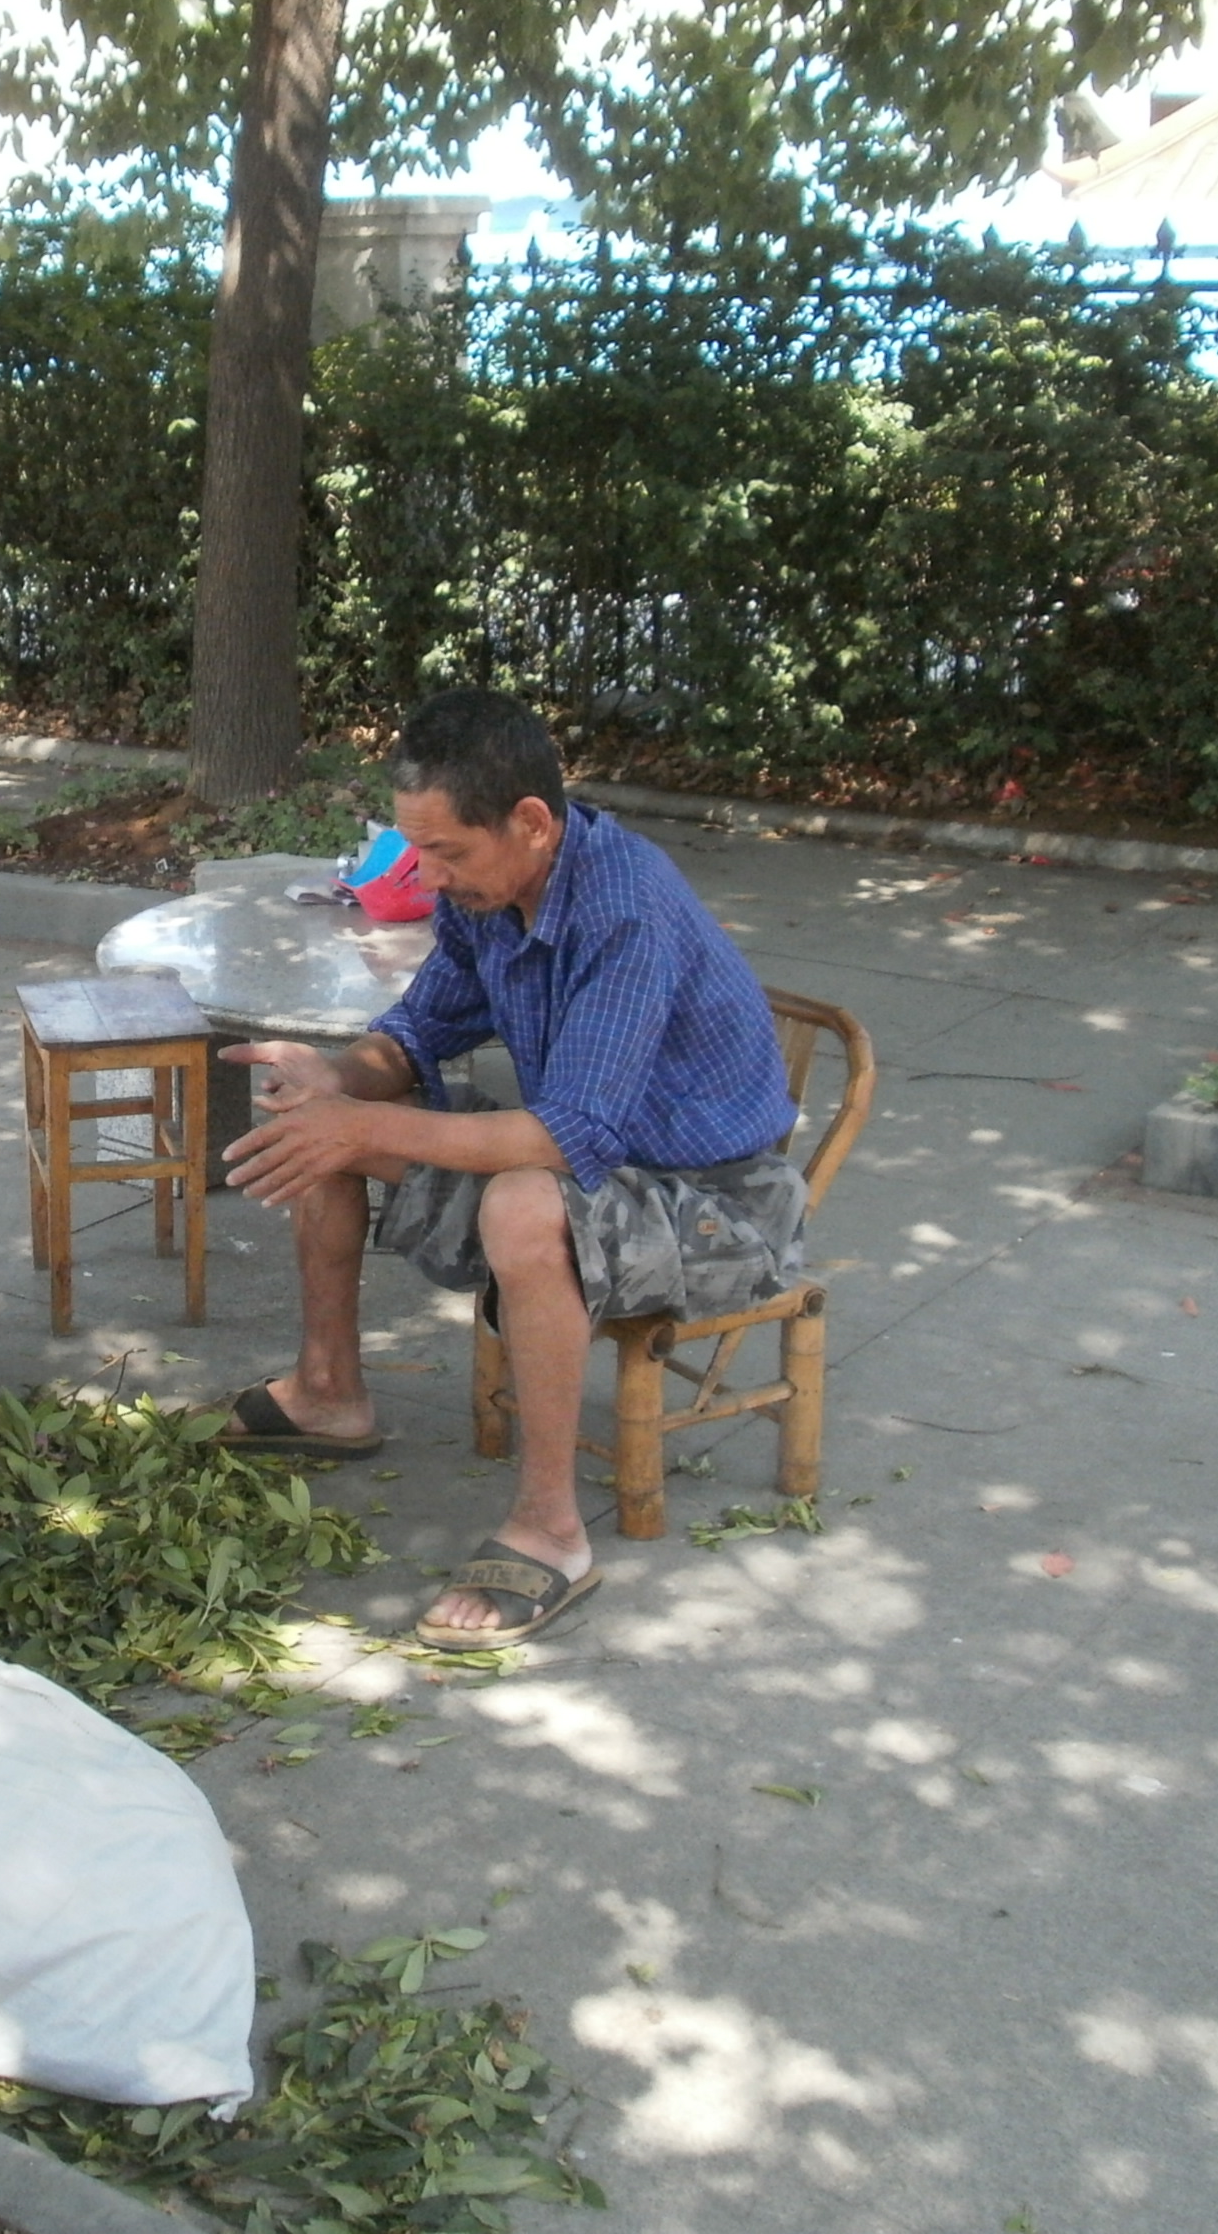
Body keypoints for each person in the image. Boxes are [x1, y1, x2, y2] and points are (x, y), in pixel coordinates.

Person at [218, 689, 806, 1652]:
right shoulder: (486, 894)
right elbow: (415, 1033)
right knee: (319, 1130)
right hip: (600, 1164)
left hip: (718, 1204)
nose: (429, 877)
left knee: (526, 1204)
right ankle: (329, 1393)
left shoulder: (624, 909)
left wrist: (363, 1119)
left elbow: (566, 1136)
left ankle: (551, 1530)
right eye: (419, 851)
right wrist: (337, 1082)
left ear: (531, 822)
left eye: (446, 852)